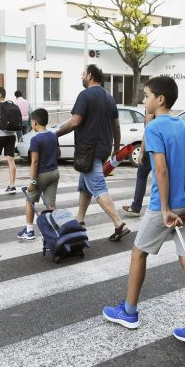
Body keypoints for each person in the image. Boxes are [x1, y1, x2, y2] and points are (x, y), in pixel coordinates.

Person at [102, 76, 185, 351]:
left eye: (147, 95)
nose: (143, 100)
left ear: (160, 99)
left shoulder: (155, 127)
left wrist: (163, 208)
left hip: (167, 206)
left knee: (139, 252)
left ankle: (129, 311)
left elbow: (159, 170)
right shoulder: (184, 126)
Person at [55, 64, 130, 241]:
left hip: (88, 150)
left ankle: (119, 224)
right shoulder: (109, 98)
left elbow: (74, 122)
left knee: (98, 187)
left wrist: (54, 134)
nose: (81, 77)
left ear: (89, 76)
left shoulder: (85, 95)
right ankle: (80, 220)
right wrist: (116, 147)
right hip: (102, 149)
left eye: (83, 74)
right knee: (84, 185)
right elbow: (116, 126)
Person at [17, 108, 60, 240]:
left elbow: (34, 162)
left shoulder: (36, 139)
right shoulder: (53, 135)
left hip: (41, 174)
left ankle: (29, 230)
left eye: (31, 122)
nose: (31, 124)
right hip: (54, 172)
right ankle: (53, 230)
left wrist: (33, 182)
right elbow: (58, 153)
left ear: (35, 122)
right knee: (50, 204)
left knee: (30, 200)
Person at [122, 112, 155, 216]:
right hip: (159, 149)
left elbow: (147, 132)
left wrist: (141, 151)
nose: (145, 100)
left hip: (151, 149)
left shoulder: (151, 110)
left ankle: (136, 207)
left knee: (142, 175)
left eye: (146, 96)